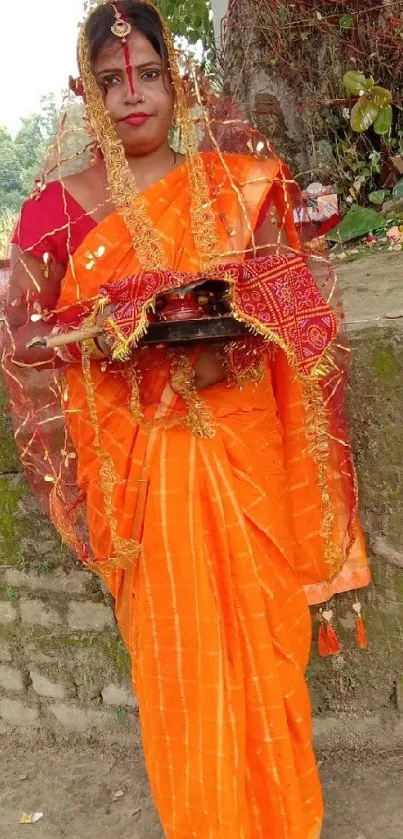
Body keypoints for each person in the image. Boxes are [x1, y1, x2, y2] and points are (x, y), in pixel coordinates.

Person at [2, 1, 369, 836]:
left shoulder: (234, 184)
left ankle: (284, 816)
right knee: (179, 663)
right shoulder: (55, 213)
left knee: (265, 637)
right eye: (109, 82)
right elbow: (26, 341)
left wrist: (230, 343)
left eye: (148, 75)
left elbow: (299, 310)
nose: (132, 96)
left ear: (177, 81)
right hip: (142, 460)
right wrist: (106, 336)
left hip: (243, 440)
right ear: (83, 94)